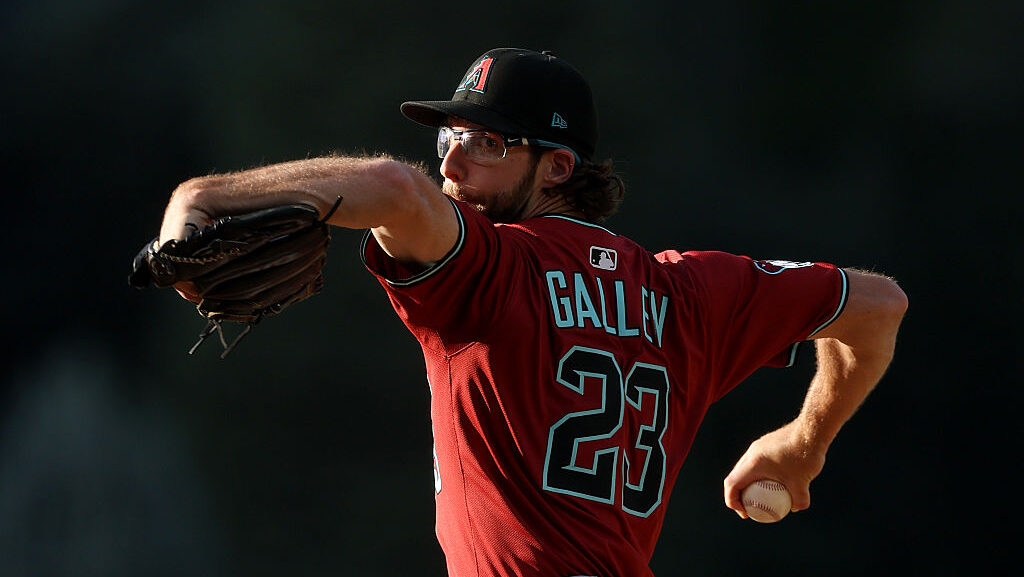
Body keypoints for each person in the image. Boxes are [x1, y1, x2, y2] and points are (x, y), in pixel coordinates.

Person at [155, 48, 908, 577]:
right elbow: (878, 305)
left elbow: (394, 187)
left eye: (486, 142)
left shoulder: (492, 269)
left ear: (557, 166)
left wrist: (201, 197)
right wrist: (804, 443)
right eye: (449, 137)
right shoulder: (691, 293)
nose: (452, 163)